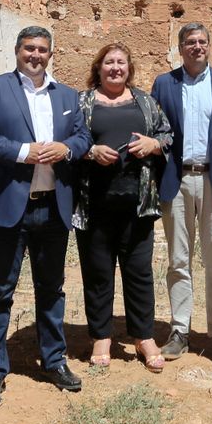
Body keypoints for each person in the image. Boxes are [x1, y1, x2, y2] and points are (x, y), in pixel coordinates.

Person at [0, 25, 92, 408]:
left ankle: (53, 360)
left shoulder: (68, 95)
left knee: (51, 289)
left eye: (42, 50)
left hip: (52, 207)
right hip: (8, 206)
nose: (35, 56)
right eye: (28, 49)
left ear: (50, 54)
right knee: (0, 290)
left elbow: (83, 138)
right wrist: (25, 151)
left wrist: (65, 148)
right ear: (17, 51)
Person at [73, 43, 172, 372]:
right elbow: (70, 140)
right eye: (108, 62)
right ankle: (101, 336)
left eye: (121, 63)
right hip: (94, 203)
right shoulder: (83, 103)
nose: (115, 68)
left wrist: (154, 143)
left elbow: (167, 134)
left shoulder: (145, 101)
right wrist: (90, 151)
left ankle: (143, 336)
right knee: (98, 272)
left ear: (129, 68)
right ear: (98, 67)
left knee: (139, 272)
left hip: (137, 204)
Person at [150, 23, 212, 364]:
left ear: (209, 46)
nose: (197, 47)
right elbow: (155, 130)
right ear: (180, 47)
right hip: (176, 180)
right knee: (178, 258)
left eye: (202, 41)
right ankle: (179, 330)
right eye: (190, 42)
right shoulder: (164, 83)